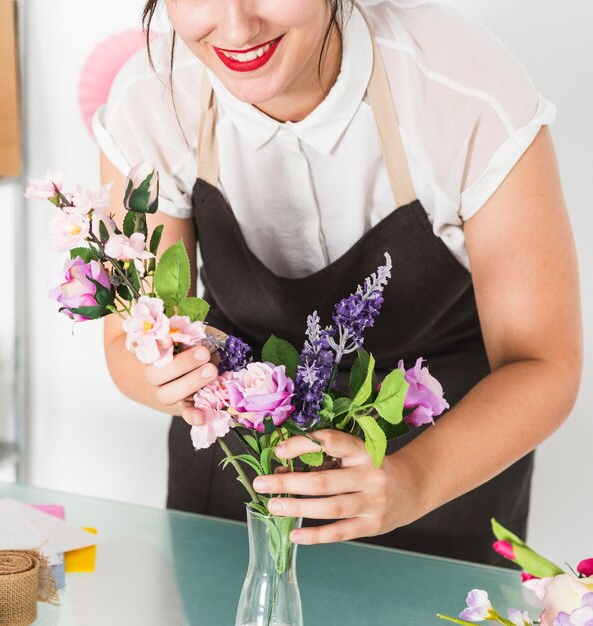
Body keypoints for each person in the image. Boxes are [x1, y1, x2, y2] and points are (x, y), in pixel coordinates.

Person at [93, 0, 582, 566]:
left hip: (443, 493)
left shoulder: (462, 89)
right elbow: (123, 344)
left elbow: (543, 363)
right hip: (237, 493)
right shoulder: (153, 97)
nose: (235, 26)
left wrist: (412, 481)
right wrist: (165, 375)